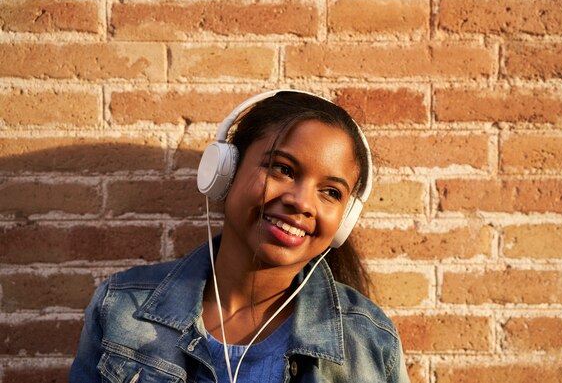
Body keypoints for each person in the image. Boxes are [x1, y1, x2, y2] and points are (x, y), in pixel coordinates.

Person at [70, 90, 410, 383]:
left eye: (331, 192)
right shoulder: (121, 308)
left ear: (345, 219)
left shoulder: (370, 341)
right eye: (283, 169)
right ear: (226, 172)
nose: (302, 202)